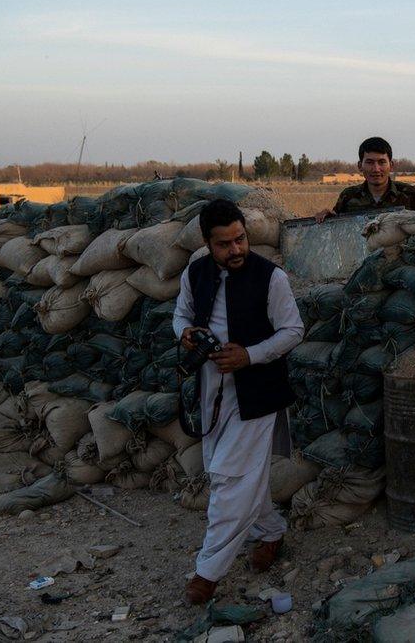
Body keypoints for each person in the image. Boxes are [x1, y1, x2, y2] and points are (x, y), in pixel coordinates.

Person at [173, 199, 304, 605]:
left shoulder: (272, 278)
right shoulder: (195, 272)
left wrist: (250, 354)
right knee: (234, 472)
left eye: (241, 239)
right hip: (213, 388)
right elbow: (180, 316)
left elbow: (293, 330)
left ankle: (207, 570)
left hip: (257, 390)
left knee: (231, 480)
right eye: (225, 244)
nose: (236, 250)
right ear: (207, 244)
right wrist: (187, 333)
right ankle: (270, 531)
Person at [315, 137, 415, 222]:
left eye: (382, 162)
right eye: (370, 162)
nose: (376, 169)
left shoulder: (413, 195)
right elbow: (339, 232)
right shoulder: (348, 197)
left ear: (391, 165)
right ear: (360, 166)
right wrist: (327, 219)